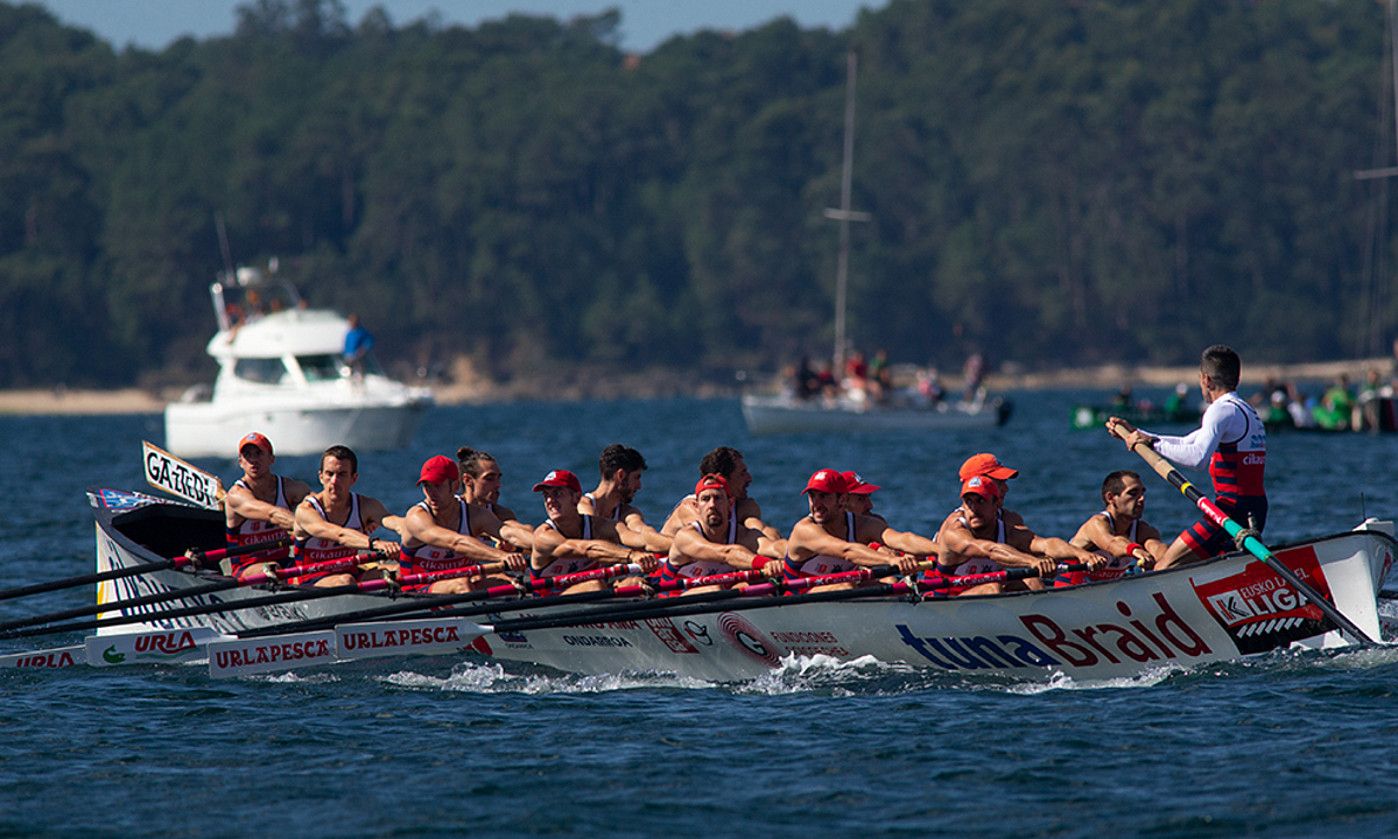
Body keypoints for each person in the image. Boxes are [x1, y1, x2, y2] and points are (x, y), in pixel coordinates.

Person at [1107, 344, 1267, 570]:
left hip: (1229, 512)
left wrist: (1151, 443)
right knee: (1211, 568)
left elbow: (1197, 458)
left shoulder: (1220, 410)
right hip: (1254, 508)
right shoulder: (1245, 410)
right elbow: (1186, 442)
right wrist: (1138, 433)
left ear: (1206, 380)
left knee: (1164, 568)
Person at [932, 474, 1104, 596]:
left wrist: (1081, 554)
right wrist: (1032, 561)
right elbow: (991, 550)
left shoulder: (1007, 529)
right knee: (993, 588)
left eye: (981, 501)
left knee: (1032, 580)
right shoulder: (954, 533)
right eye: (968, 502)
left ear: (996, 503)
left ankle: (1050, 625)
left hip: (977, 598)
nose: (973, 509)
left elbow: (1045, 544)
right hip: (944, 602)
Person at [395, 456, 527, 594]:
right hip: (416, 588)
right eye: (427, 486)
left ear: (455, 486)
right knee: (461, 584)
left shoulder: (475, 514)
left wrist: (538, 544)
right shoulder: (416, 517)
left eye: (438, 486)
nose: (431, 493)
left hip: (458, 582)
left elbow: (509, 533)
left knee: (511, 585)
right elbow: (456, 542)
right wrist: (502, 556)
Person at [783, 469, 930, 592]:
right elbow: (847, 551)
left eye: (823, 496)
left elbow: (902, 539)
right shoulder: (805, 529)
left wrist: (938, 550)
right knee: (846, 587)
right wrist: (891, 560)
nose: (816, 504)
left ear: (842, 500)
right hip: (797, 598)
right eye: (812, 496)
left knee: (893, 584)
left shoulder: (862, 524)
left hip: (835, 594)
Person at [530, 469, 659, 594]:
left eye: (557, 494)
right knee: (594, 586)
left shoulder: (597, 525)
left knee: (635, 582)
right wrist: (631, 555)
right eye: (546, 496)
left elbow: (637, 539)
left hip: (587, 594)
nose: (549, 501)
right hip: (547, 601)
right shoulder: (543, 536)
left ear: (576, 498)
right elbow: (585, 549)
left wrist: (666, 546)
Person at [291, 445, 399, 587]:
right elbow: (340, 535)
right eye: (329, 474)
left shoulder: (366, 506)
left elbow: (395, 522)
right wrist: (375, 544)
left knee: (400, 571)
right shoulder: (306, 511)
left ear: (354, 478)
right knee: (345, 580)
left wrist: (416, 530)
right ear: (321, 477)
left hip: (351, 574)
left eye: (341, 475)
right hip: (310, 579)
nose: (334, 481)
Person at [660, 474, 783, 594]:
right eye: (705, 499)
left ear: (730, 504)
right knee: (714, 589)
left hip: (716, 597)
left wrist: (788, 557)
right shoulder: (685, 536)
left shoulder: (742, 534)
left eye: (718, 498)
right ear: (697, 507)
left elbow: (773, 546)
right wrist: (765, 563)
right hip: (673, 598)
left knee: (756, 584)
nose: (712, 505)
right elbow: (726, 554)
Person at [223, 432, 310, 580]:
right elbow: (272, 514)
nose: (253, 460)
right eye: (247, 455)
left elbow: (319, 505)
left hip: (284, 562)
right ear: (241, 462)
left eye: (258, 454)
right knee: (273, 568)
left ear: (271, 459)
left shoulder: (290, 488)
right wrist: (307, 527)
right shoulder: (236, 495)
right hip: (247, 568)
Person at [1057, 470, 1166, 586]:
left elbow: (1157, 548)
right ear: (1111, 498)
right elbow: (1112, 544)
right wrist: (1135, 550)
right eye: (1133, 493)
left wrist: (1167, 559)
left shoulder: (1143, 530)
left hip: (1102, 591)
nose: (1141, 499)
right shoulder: (1096, 524)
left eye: (1142, 493)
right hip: (1068, 588)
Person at [660, 446, 782, 543]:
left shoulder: (745, 507)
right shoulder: (691, 507)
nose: (749, 478)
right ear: (720, 479)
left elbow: (762, 532)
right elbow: (714, 544)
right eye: (742, 473)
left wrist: (778, 549)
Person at [578, 444, 671, 552]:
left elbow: (644, 533)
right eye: (636, 477)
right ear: (621, 475)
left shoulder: (628, 513)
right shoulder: (582, 506)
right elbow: (596, 538)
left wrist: (680, 544)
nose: (639, 486)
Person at [457, 446, 535, 551]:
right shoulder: (450, 510)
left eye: (498, 478)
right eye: (489, 479)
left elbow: (525, 531)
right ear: (467, 480)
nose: (498, 485)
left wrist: (515, 547)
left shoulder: (501, 514)